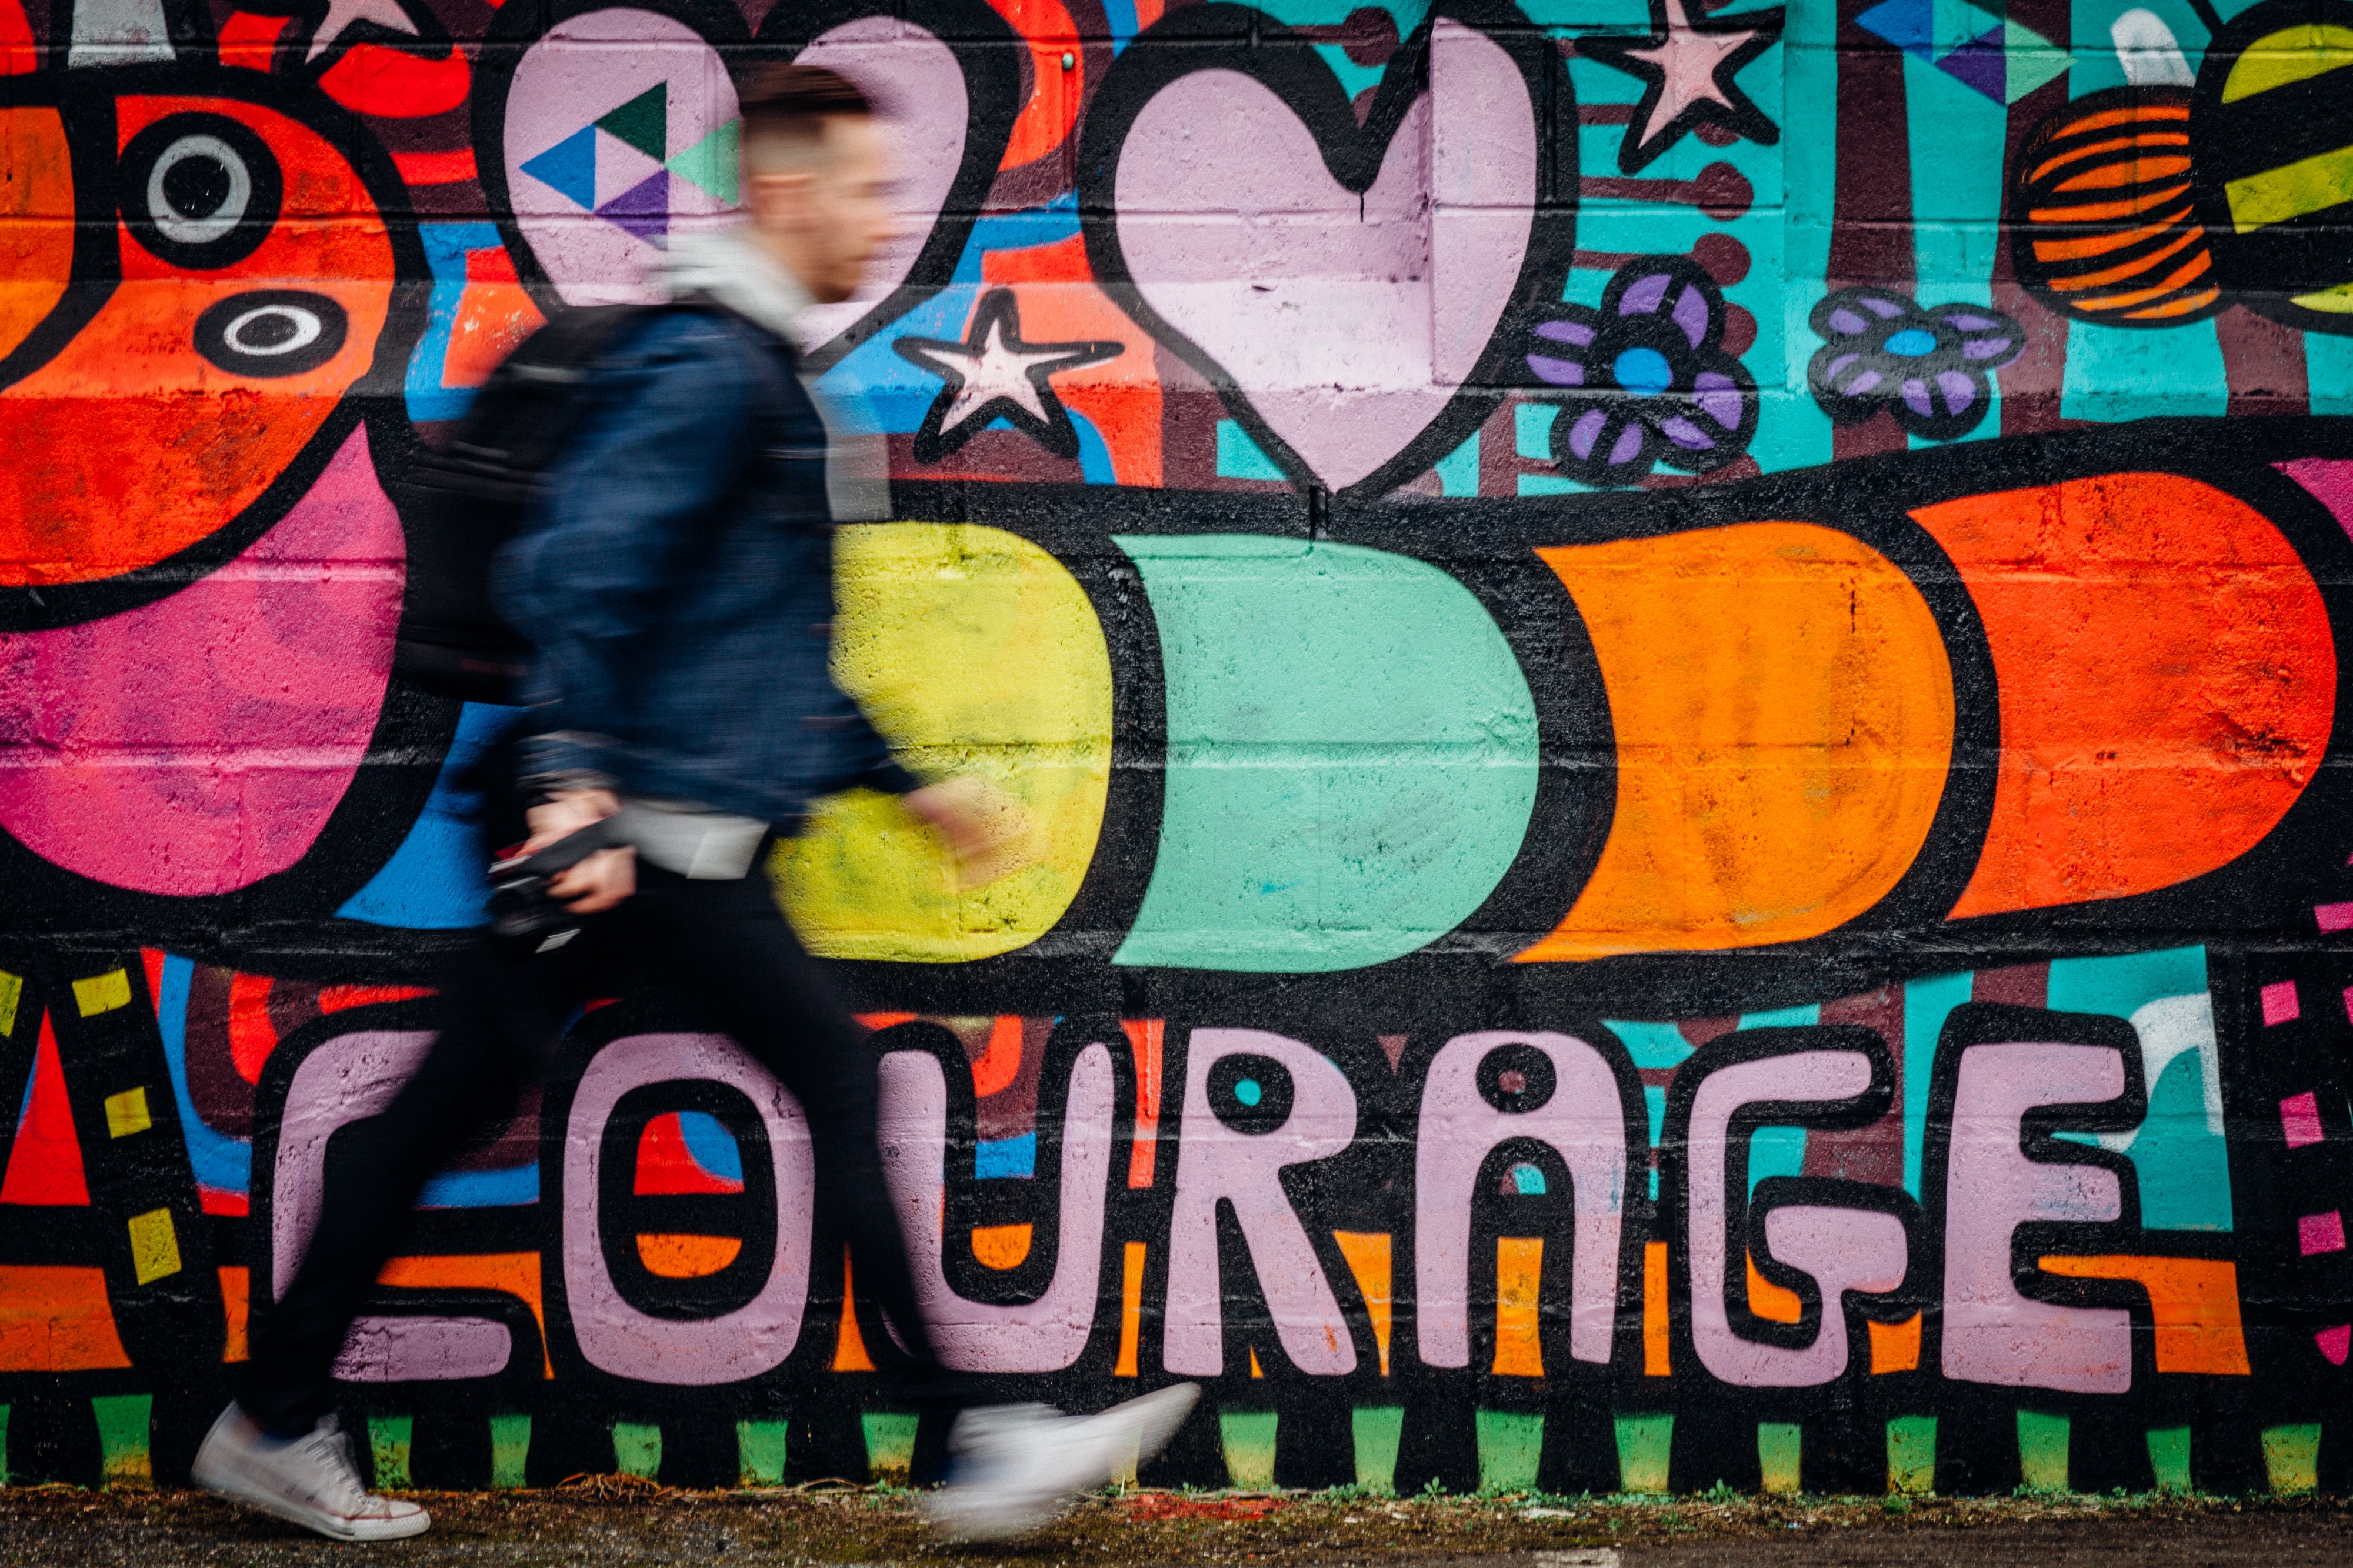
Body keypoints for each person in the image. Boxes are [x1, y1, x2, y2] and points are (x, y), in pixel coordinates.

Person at [191, 64, 1195, 1543]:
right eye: (861, 187)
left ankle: (271, 1418)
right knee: (785, 1092)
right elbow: (576, 571)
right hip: (632, 841)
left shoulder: (759, 370)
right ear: (782, 192)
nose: (883, 217)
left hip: (666, 834)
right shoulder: (707, 370)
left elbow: (754, 643)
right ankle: (972, 1447)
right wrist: (574, 785)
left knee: (445, 1117)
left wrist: (909, 788)